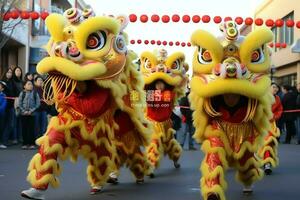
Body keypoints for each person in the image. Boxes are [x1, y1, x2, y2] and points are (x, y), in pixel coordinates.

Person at [259, 83, 283, 175]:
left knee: (270, 143)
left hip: (272, 124)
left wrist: (275, 116)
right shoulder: (262, 97)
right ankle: (266, 163)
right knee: (265, 143)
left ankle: (267, 162)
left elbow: (279, 109)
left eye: (277, 87)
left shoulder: (277, 98)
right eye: (273, 87)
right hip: (262, 124)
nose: (275, 89)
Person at [18, 80, 40, 149]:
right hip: (23, 114)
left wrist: (31, 111)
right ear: (24, 86)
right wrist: (23, 111)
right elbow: (19, 103)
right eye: (28, 84)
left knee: (31, 129)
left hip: (32, 114)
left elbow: (38, 104)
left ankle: (31, 143)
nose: (30, 85)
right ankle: (24, 143)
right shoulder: (22, 93)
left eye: (31, 84)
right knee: (24, 129)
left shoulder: (35, 93)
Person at [0, 81, 8, 149]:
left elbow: (3, 105)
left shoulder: (3, 95)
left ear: (2, 89)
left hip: (1, 115)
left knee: (1, 128)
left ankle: (1, 142)